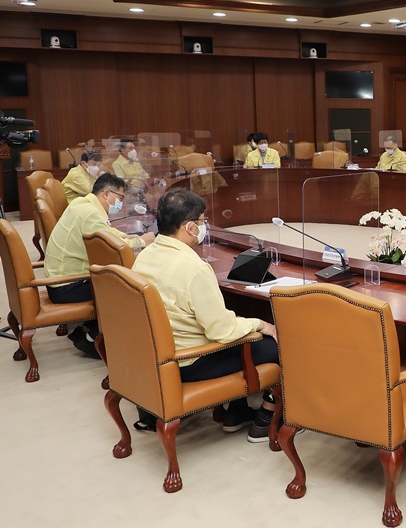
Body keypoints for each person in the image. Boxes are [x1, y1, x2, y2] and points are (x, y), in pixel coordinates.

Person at [132, 188, 280, 441]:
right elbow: (221, 331)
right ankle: (267, 419)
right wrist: (261, 324)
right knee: (280, 344)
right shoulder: (194, 268)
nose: (204, 226)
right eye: (202, 221)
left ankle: (237, 410)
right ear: (190, 227)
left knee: (243, 328)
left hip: (155, 355)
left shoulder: (144, 256)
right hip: (191, 361)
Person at [44, 173, 155, 357]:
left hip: (60, 281)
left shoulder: (82, 204)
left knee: (119, 283)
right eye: (119, 198)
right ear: (105, 194)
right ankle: (94, 341)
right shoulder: (90, 213)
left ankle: (87, 331)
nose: (120, 203)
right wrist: (141, 242)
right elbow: (111, 247)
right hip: (68, 286)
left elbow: (106, 232)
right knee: (129, 291)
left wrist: (128, 237)